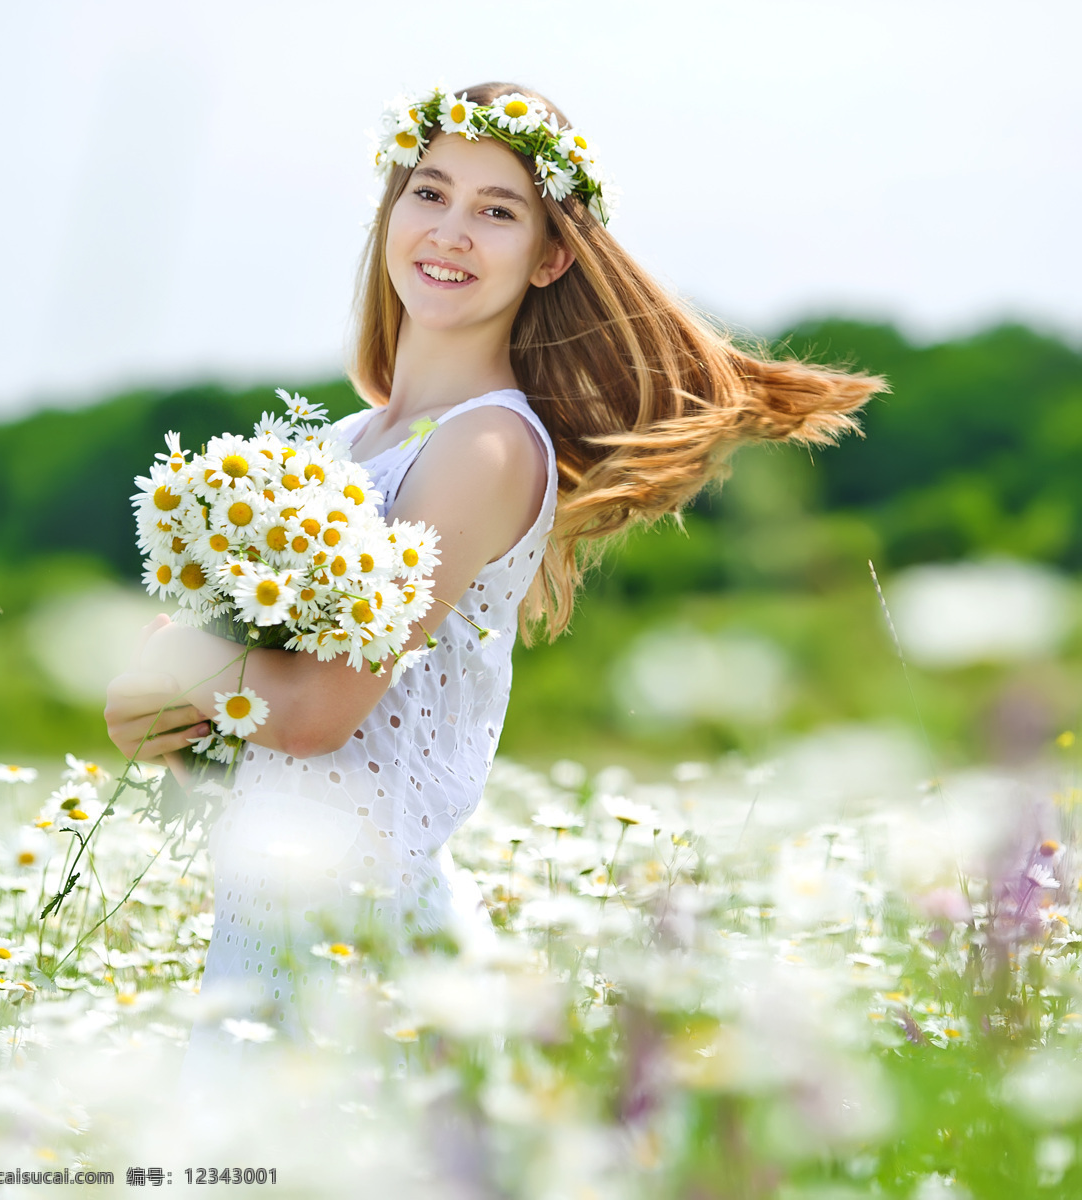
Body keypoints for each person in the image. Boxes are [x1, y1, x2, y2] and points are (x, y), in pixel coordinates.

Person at [104, 81, 884, 1042]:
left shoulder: (486, 449)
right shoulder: (344, 443)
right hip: (269, 918)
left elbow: (315, 712)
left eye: (497, 211)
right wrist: (180, 722)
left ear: (550, 256)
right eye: (428, 193)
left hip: (366, 941)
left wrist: (179, 665)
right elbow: (264, 742)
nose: (450, 231)